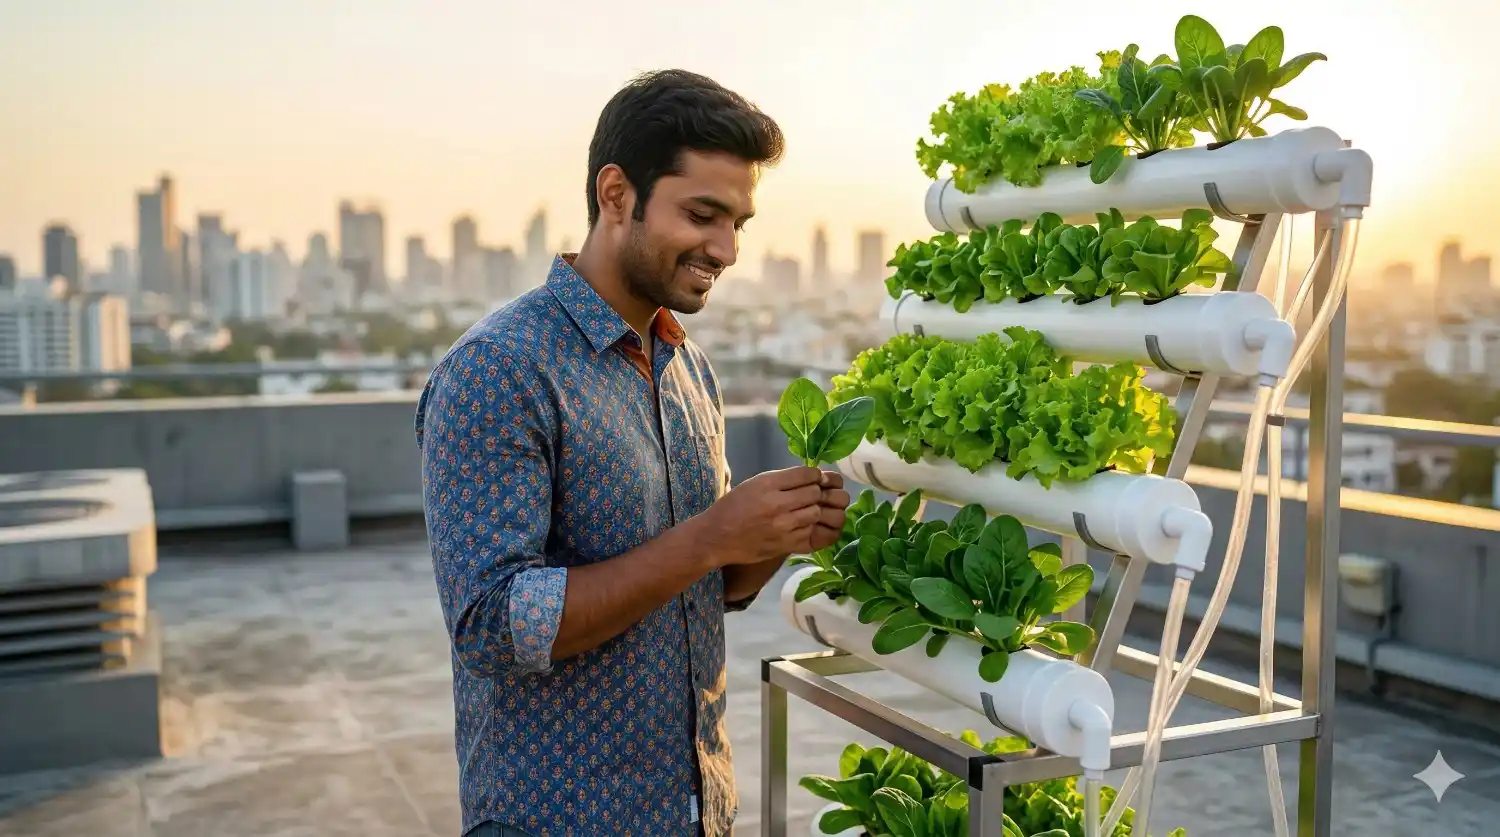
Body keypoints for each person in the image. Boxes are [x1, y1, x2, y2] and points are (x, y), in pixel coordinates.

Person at [416, 69, 851, 837]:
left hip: (694, 810)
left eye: (739, 222)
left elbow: (700, 590)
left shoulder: (689, 368)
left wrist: (779, 532)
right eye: (703, 214)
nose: (726, 247)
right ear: (616, 195)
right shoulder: (499, 368)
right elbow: (492, 624)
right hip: (557, 820)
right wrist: (714, 533)